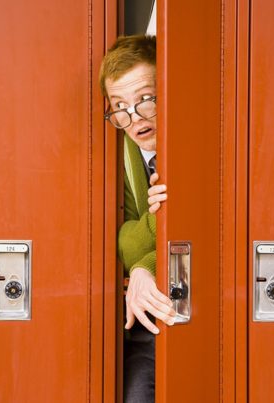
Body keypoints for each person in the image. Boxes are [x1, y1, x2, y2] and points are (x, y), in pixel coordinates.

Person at [99, 34, 175, 403]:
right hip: (146, 320)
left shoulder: (200, 138)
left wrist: (146, 268)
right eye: (121, 107)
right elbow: (126, 241)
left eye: (146, 99)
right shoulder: (129, 152)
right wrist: (154, 217)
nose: (135, 118)